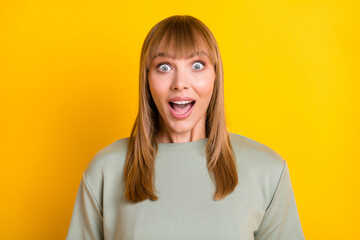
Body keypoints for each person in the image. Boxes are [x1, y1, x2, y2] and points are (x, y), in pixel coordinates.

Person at [66, 15, 305, 240]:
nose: (180, 84)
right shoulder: (106, 169)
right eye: (164, 67)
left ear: (215, 75)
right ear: (147, 78)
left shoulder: (267, 170)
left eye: (197, 65)